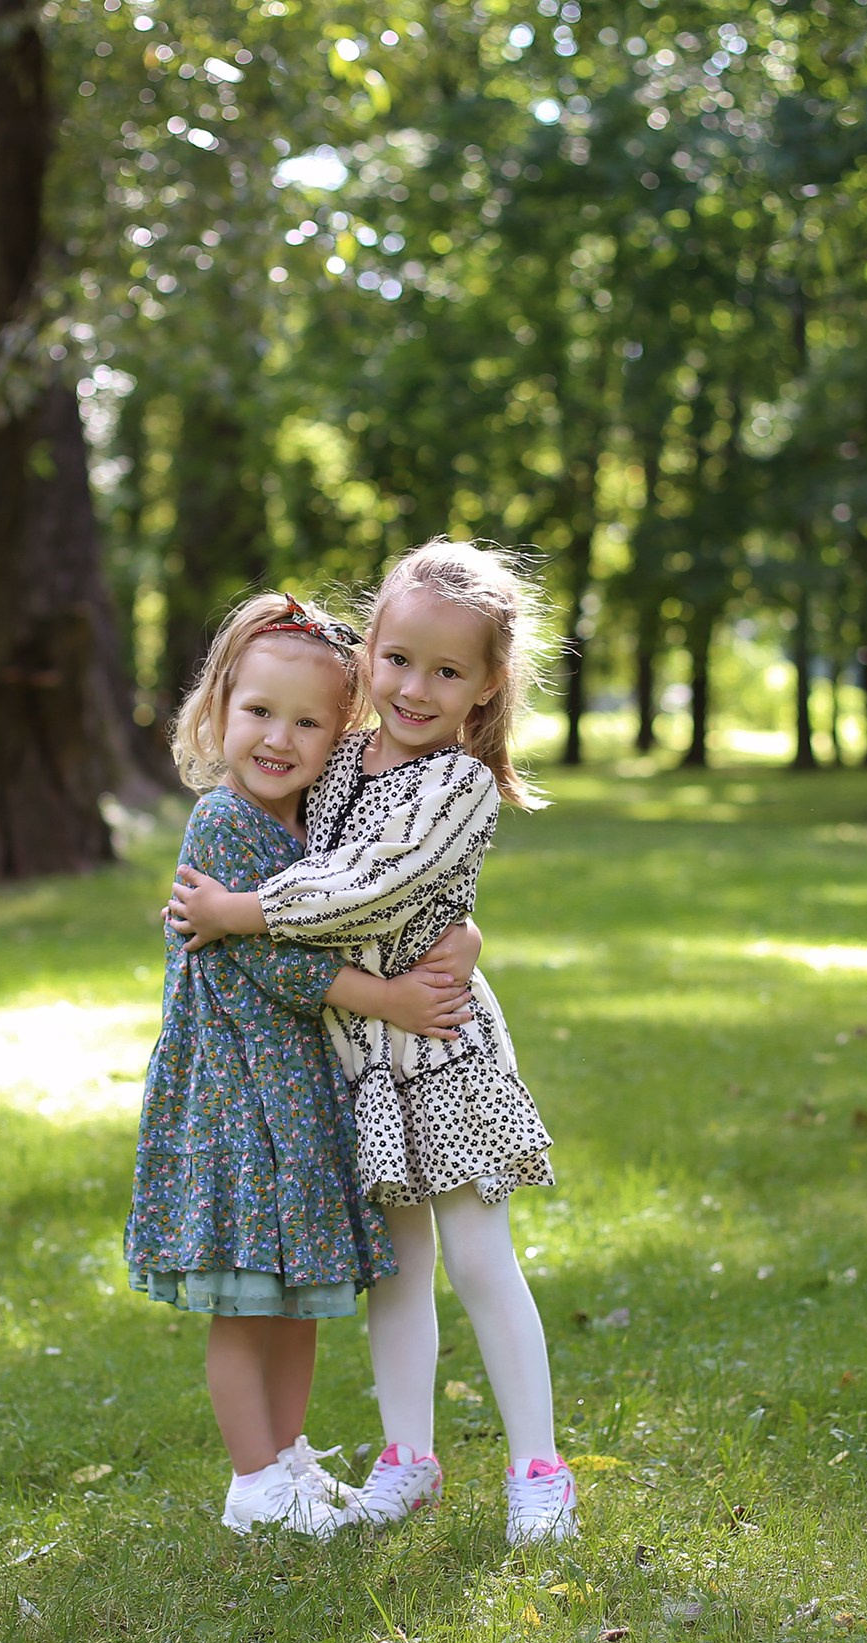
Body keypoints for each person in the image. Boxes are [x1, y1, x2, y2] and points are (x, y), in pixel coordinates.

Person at [168, 541, 578, 1545]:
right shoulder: (341, 754)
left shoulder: (457, 785)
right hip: (355, 1059)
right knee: (396, 1271)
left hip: (439, 1053)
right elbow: (271, 815)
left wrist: (246, 909)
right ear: (370, 656)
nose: (415, 686)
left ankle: (538, 1467)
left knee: (479, 1257)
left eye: (447, 670)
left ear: (486, 686)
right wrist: (214, 890)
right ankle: (408, 1458)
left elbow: (367, 885)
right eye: (397, 659)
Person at [124, 591, 481, 1539]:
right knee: (246, 1301)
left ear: (341, 732)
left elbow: (387, 897)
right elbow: (272, 961)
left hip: (297, 1095)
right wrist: (393, 1001)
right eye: (258, 713)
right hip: (237, 1099)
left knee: (296, 1295)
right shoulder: (225, 821)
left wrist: (464, 931)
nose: (278, 738)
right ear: (218, 711)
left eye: (307, 721)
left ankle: (290, 1460)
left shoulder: (311, 829)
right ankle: (252, 1483)